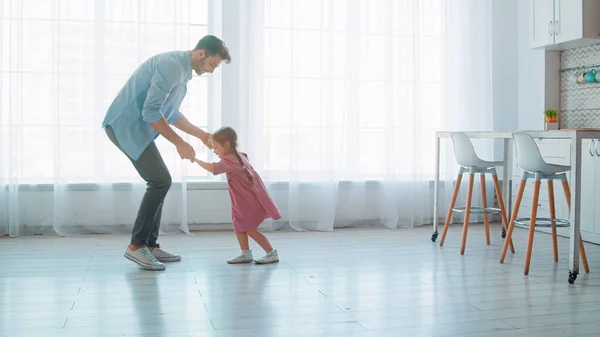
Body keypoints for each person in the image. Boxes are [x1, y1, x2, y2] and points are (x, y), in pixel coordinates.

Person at [102, 35, 231, 271]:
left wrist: (202, 136)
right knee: (160, 180)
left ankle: (150, 246)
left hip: (136, 127)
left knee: (160, 181)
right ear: (201, 53)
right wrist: (179, 143)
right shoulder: (172, 66)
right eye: (213, 64)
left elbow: (170, 114)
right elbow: (151, 111)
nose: (212, 71)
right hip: (123, 125)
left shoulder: (182, 74)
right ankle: (136, 246)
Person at [194, 127, 281, 264]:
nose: (215, 151)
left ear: (227, 144)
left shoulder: (231, 160)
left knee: (251, 230)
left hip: (248, 202)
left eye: (216, 148)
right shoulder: (237, 156)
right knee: (239, 226)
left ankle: (271, 253)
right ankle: (245, 253)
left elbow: (213, 169)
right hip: (241, 201)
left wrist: (194, 159)